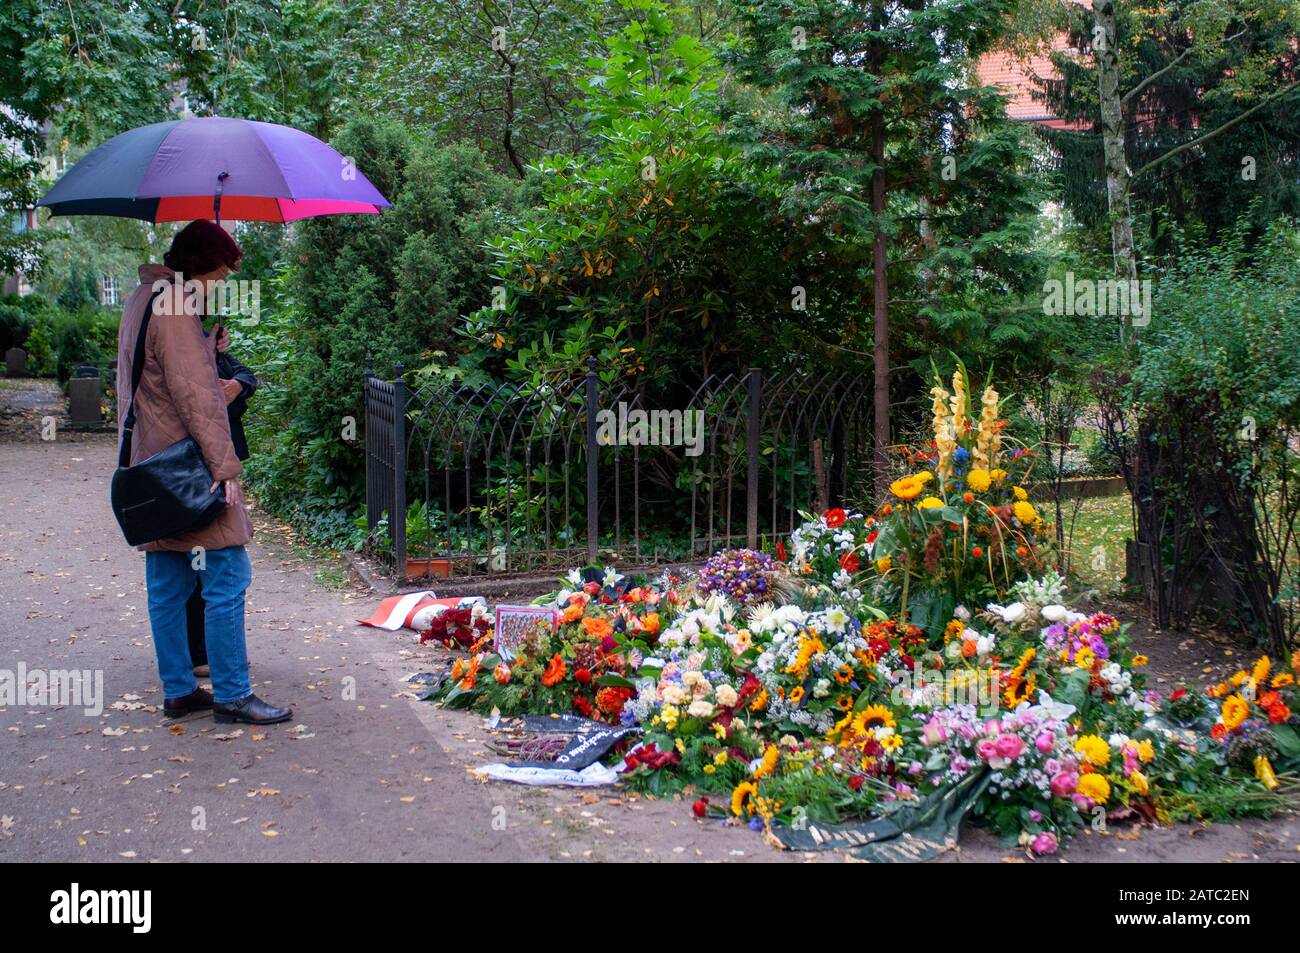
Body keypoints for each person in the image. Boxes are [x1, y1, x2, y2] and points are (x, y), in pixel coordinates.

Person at [115, 219, 291, 726]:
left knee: (168, 578)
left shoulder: (141, 299)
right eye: (217, 276)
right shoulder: (174, 308)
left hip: (150, 462)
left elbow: (149, 381)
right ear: (196, 268)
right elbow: (197, 396)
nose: (219, 286)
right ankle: (232, 695)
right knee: (228, 573)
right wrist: (224, 465)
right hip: (188, 468)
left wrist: (202, 346)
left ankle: (179, 689)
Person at [186, 326, 258, 677]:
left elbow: (246, 374)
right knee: (210, 566)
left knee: (207, 567)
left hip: (219, 462)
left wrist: (236, 386)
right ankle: (205, 657)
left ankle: (206, 657)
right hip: (201, 467)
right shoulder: (189, 362)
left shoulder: (215, 358)